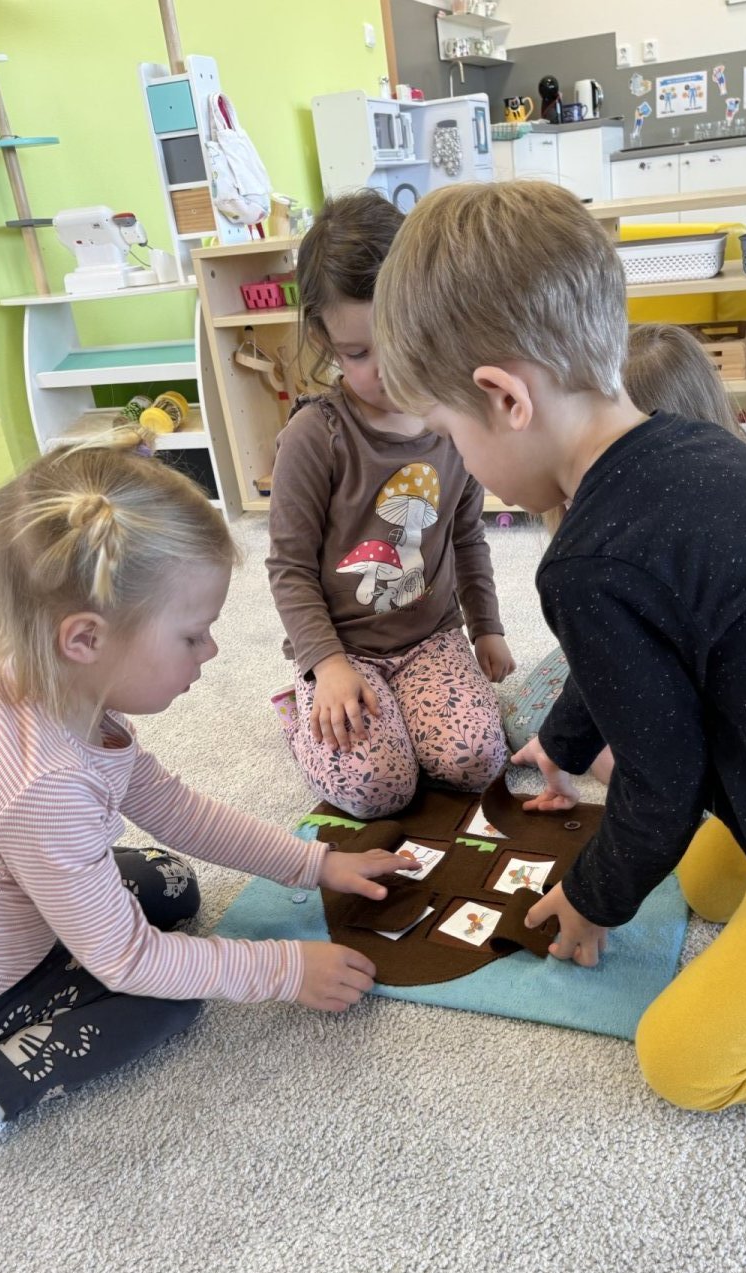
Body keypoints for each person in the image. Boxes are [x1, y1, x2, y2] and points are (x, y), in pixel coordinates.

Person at [371, 179, 746, 1111]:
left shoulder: (587, 562)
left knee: (684, 1064)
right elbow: (645, 653)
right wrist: (565, 744)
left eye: (450, 433)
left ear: (504, 399)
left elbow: (662, 787)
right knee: (704, 884)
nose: (460, 458)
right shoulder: (683, 443)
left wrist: (593, 898)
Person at [0, 434, 417, 1160]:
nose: (211, 652)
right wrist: (282, 969)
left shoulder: (51, 688)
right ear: (84, 639)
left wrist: (317, 864)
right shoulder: (41, 785)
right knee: (164, 999)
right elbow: (127, 961)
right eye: (192, 635)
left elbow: (174, 808)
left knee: (170, 884)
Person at [267, 190, 514, 822]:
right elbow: (289, 567)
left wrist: (485, 626)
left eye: (402, 340)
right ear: (324, 339)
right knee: (377, 789)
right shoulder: (314, 436)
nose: (386, 369)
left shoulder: (457, 422)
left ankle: (404, 710)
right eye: (358, 353)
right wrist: (326, 665)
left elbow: (467, 535)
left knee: (477, 761)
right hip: (343, 648)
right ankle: (297, 712)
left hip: (430, 637)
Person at [503, 323, 746, 782]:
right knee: (552, 721)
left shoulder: (626, 520)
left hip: (721, 685)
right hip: (667, 650)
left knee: (567, 731)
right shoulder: (745, 467)